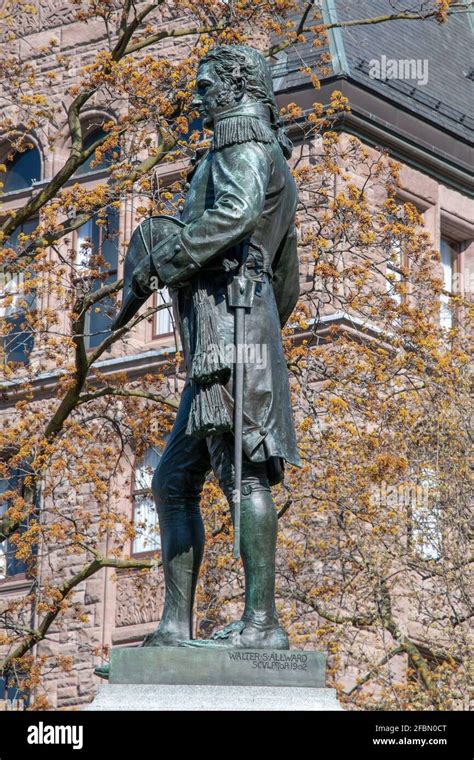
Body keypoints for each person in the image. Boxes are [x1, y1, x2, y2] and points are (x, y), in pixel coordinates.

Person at [95, 45, 300, 677]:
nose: (200, 96)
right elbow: (287, 280)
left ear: (238, 88)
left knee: (243, 475)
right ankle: (175, 626)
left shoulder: (239, 148)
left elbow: (235, 216)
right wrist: (258, 317)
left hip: (230, 332)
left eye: (207, 85)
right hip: (237, 329)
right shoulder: (266, 160)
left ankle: (262, 625)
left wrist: (173, 255)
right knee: (174, 479)